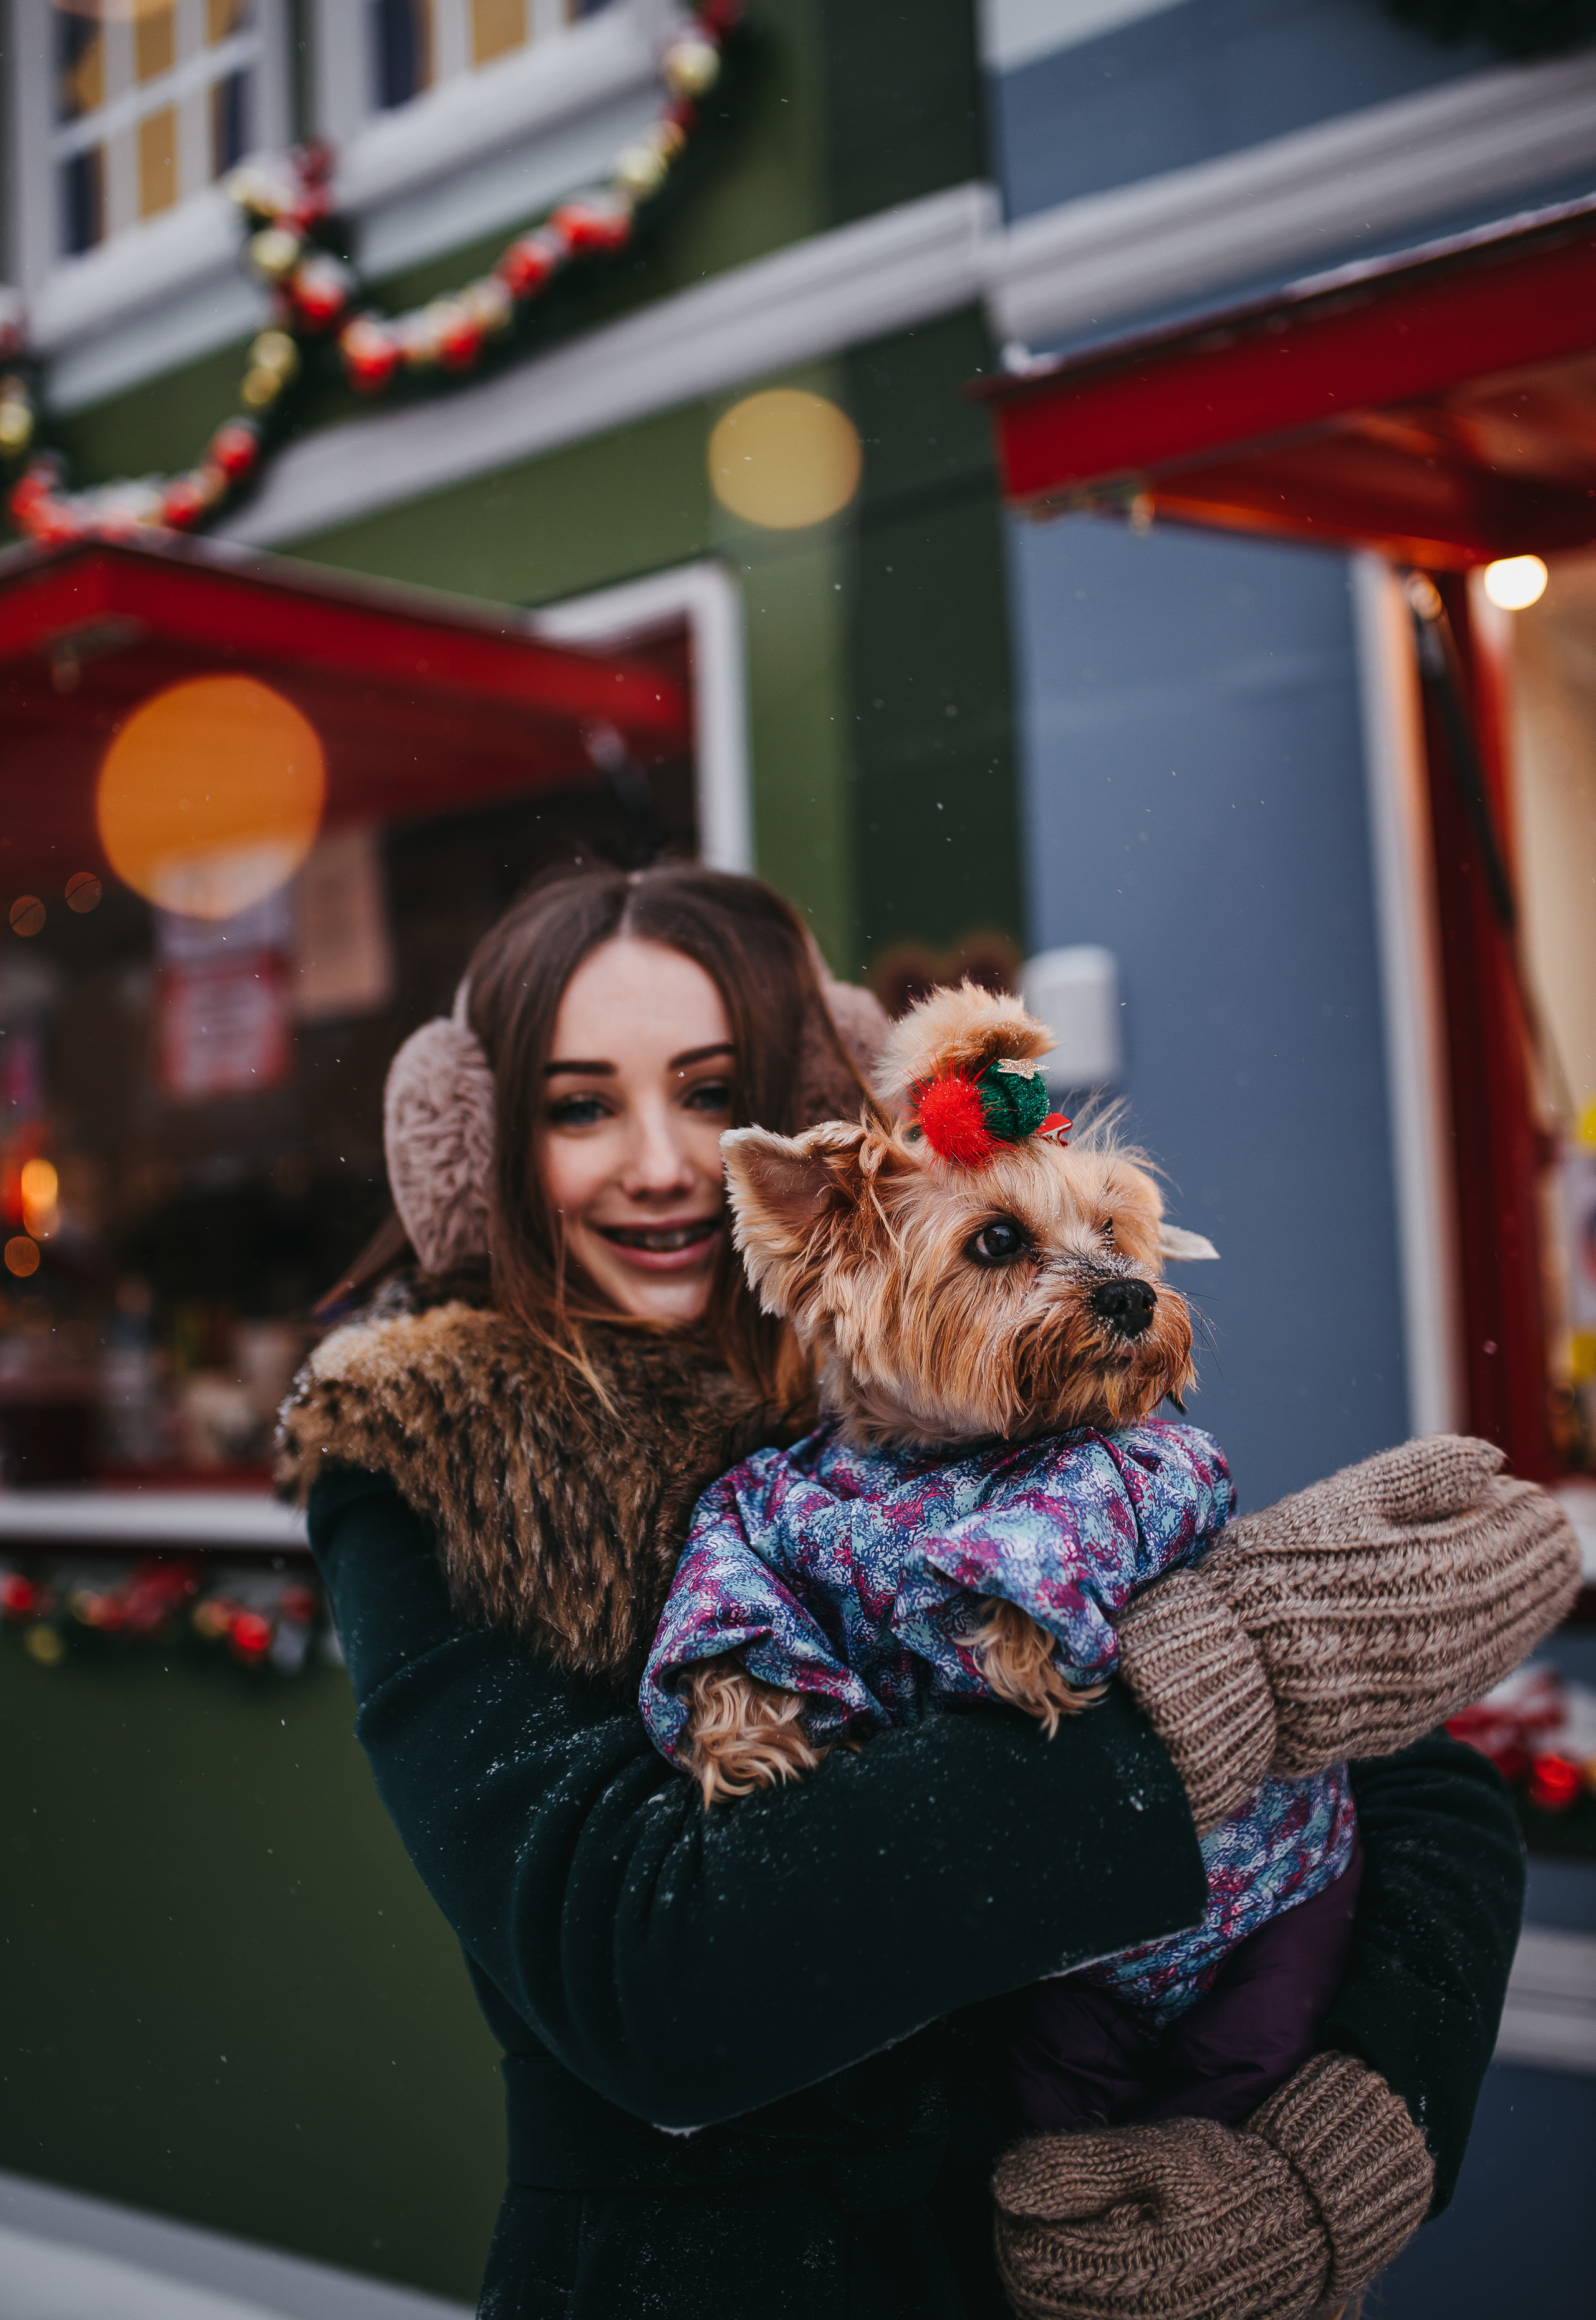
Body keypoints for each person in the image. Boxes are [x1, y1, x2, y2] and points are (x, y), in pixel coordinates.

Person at [279, 861, 1568, 2320]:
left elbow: (1406, 1789)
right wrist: (1214, 1689)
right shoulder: (437, 1468)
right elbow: (656, 1985)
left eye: (710, 1093)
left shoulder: (991, 1395)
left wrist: (1349, 2148)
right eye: (580, 1107)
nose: (657, 1162)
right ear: (481, 1147)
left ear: (811, 1109)